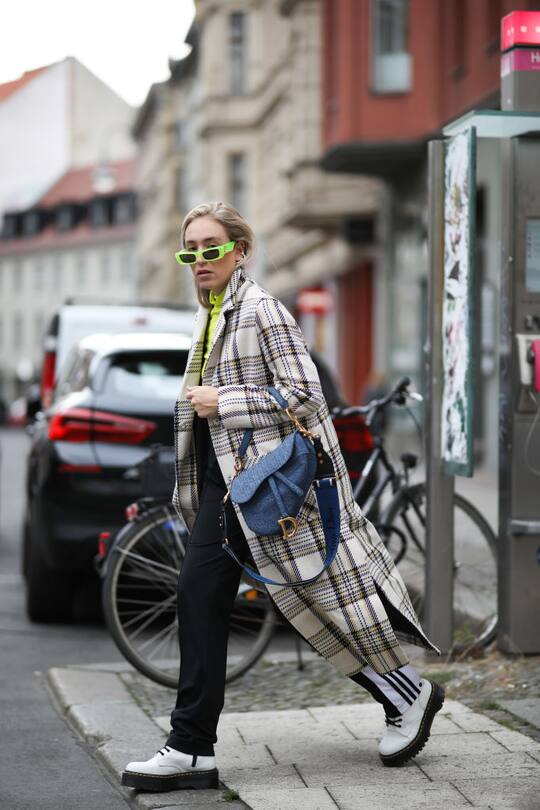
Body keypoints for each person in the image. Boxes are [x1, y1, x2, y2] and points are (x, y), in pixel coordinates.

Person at [122, 202, 444, 793]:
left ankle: (406, 691)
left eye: (211, 247)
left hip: (269, 488)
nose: (199, 259)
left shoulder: (262, 310)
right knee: (229, 599)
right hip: (235, 489)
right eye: (189, 250)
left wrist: (227, 402)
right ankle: (194, 747)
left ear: (240, 251)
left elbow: (306, 395)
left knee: (317, 601)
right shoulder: (213, 313)